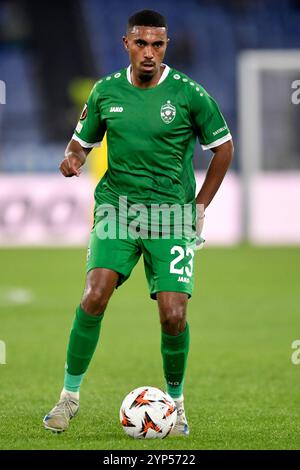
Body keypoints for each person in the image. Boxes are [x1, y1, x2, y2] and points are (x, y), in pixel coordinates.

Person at [43, 9, 233, 437]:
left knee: (173, 315)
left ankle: (177, 403)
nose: (150, 52)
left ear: (166, 46)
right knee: (95, 294)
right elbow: (81, 140)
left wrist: (199, 207)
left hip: (170, 216)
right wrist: (73, 157)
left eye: (158, 44)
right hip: (117, 210)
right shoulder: (106, 91)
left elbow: (223, 148)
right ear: (126, 44)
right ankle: (67, 399)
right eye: (141, 43)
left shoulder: (190, 95)